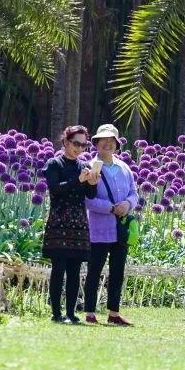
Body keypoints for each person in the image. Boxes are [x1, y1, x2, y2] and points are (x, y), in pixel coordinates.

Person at [81, 123, 139, 326]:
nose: (108, 143)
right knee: (94, 271)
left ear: (117, 144)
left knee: (118, 272)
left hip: (120, 229)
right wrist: (110, 208)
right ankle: (89, 312)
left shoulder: (124, 168)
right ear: (96, 144)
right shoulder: (90, 167)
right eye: (103, 140)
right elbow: (87, 200)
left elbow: (134, 194)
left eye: (112, 140)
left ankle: (114, 313)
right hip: (98, 229)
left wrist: (127, 204)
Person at [41, 125, 95, 324]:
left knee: (75, 269)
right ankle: (56, 313)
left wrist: (93, 182)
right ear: (65, 142)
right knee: (59, 268)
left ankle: (71, 313)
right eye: (75, 143)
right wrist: (77, 180)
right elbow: (55, 189)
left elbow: (90, 195)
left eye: (83, 145)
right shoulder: (54, 164)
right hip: (59, 220)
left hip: (79, 222)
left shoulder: (84, 166)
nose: (79, 148)